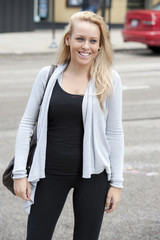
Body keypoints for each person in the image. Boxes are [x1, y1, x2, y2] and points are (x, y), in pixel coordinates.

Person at [13, 11, 124, 240]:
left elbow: (114, 132)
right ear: (68, 39)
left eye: (93, 41)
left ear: (100, 45)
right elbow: (26, 124)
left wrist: (117, 183)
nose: (86, 46)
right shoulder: (47, 75)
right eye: (80, 39)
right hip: (49, 172)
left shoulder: (110, 79)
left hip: (93, 176)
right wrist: (19, 174)